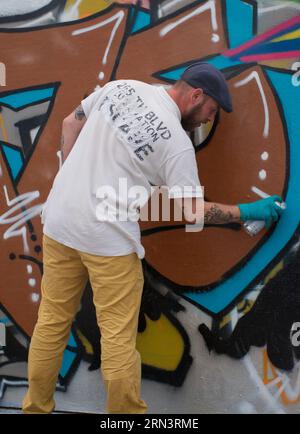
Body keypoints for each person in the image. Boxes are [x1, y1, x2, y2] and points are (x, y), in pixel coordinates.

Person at [22, 63, 284, 414]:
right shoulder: (176, 143)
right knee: (117, 339)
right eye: (212, 109)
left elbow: (71, 122)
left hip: (59, 221)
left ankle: (35, 408)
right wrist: (248, 212)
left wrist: (75, 179)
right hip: (108, 240)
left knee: (52, 322)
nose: (209, 119)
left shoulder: (122, 88)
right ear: (196, 95)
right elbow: (193, 213)